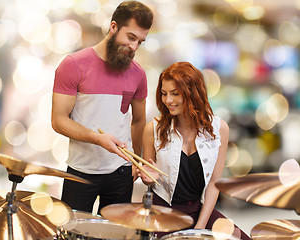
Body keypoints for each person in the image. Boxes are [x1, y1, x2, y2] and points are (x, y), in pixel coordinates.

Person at [51, 1, 153, 213]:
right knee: (72, 234)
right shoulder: (72, 65)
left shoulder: (138, 74)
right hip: (80, 171)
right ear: (113, 27)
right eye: (131, 37)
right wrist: (97, 138)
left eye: (140, 42)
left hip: (121, 173)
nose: (134, 47)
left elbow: (138, 121)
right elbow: (58, 120)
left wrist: (136, 159)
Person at [139, 62, 250, 240]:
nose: (168, 100)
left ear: (193, 93)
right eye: (164, 93)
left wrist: (199, 228)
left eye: (175, 94)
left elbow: (214, 183)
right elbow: (149, 179)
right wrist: (149, 179)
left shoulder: (219, 128)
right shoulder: (153, 129)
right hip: (163, 212)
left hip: (200, 211)